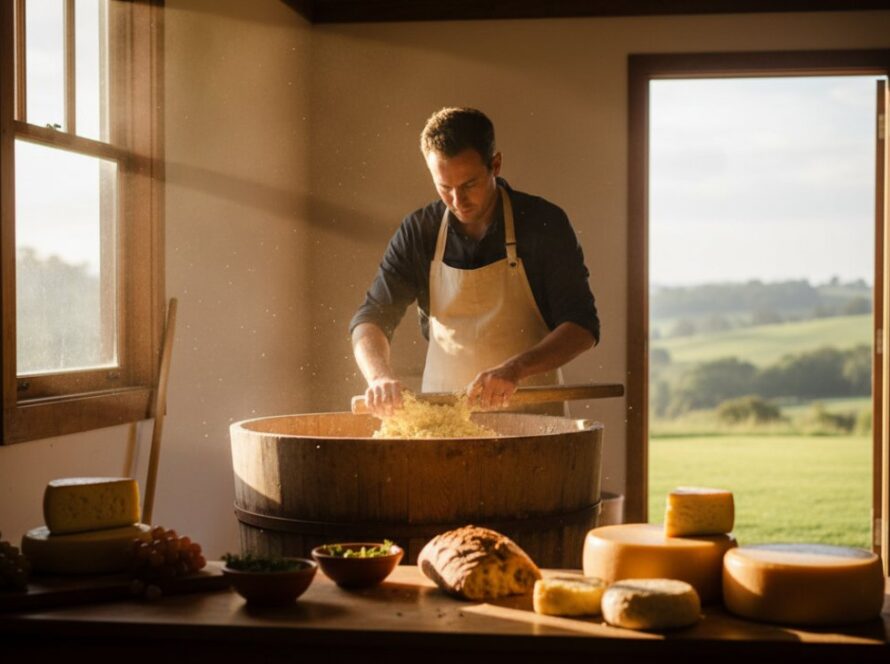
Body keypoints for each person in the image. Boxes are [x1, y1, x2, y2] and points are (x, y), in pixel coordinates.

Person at [349, 107, 600, 417]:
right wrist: (378, 377)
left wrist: (515, 369)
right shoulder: (419, 231)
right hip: (444, 418)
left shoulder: (543, 223)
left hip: (533, 418)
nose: (458, 201)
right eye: (445, 188)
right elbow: (371, 318)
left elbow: (582, 327)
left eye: (469, 185)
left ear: (495, 164)